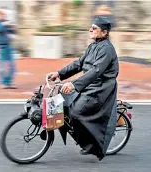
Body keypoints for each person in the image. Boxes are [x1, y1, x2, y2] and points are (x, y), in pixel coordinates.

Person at [47, 15, 119, 161]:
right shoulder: (93, 46)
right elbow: (79, 63)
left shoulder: (107, 49)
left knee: (76, 112)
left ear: (104, 33)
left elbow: (96, 71)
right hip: (89, 83)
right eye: (91, 27)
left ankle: (91, 144)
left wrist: (74, 85)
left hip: (100, 88)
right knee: (62, 102)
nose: (90, 30)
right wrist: (59, 73)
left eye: (94, 28)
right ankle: (79, 135)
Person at [0, 9, 17, 89]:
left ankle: (9, 82)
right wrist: (4, 24)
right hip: (1, 47)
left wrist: (13, 34)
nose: (4, 16)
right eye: (2, 14)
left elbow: (12, 30)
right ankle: (3, 82)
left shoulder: (7, 22)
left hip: (9, 45)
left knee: (12, 65)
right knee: (2, 66)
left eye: (4, 14)